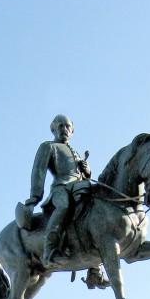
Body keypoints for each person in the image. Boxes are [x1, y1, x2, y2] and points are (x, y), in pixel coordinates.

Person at [25, 114, 92, 267]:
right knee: (63, 206)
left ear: (72, 130)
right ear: (53, 129)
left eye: (67, 126)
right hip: (61, 188)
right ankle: (49, 250)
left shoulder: (75, 152)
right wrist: (34, 198)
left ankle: (95, 269)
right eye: (60, 126)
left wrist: (87, 171)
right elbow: (38, 171)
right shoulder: (49, 146)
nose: (64, 129)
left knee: (95, 210)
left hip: (78, 187)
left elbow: (83, 177)